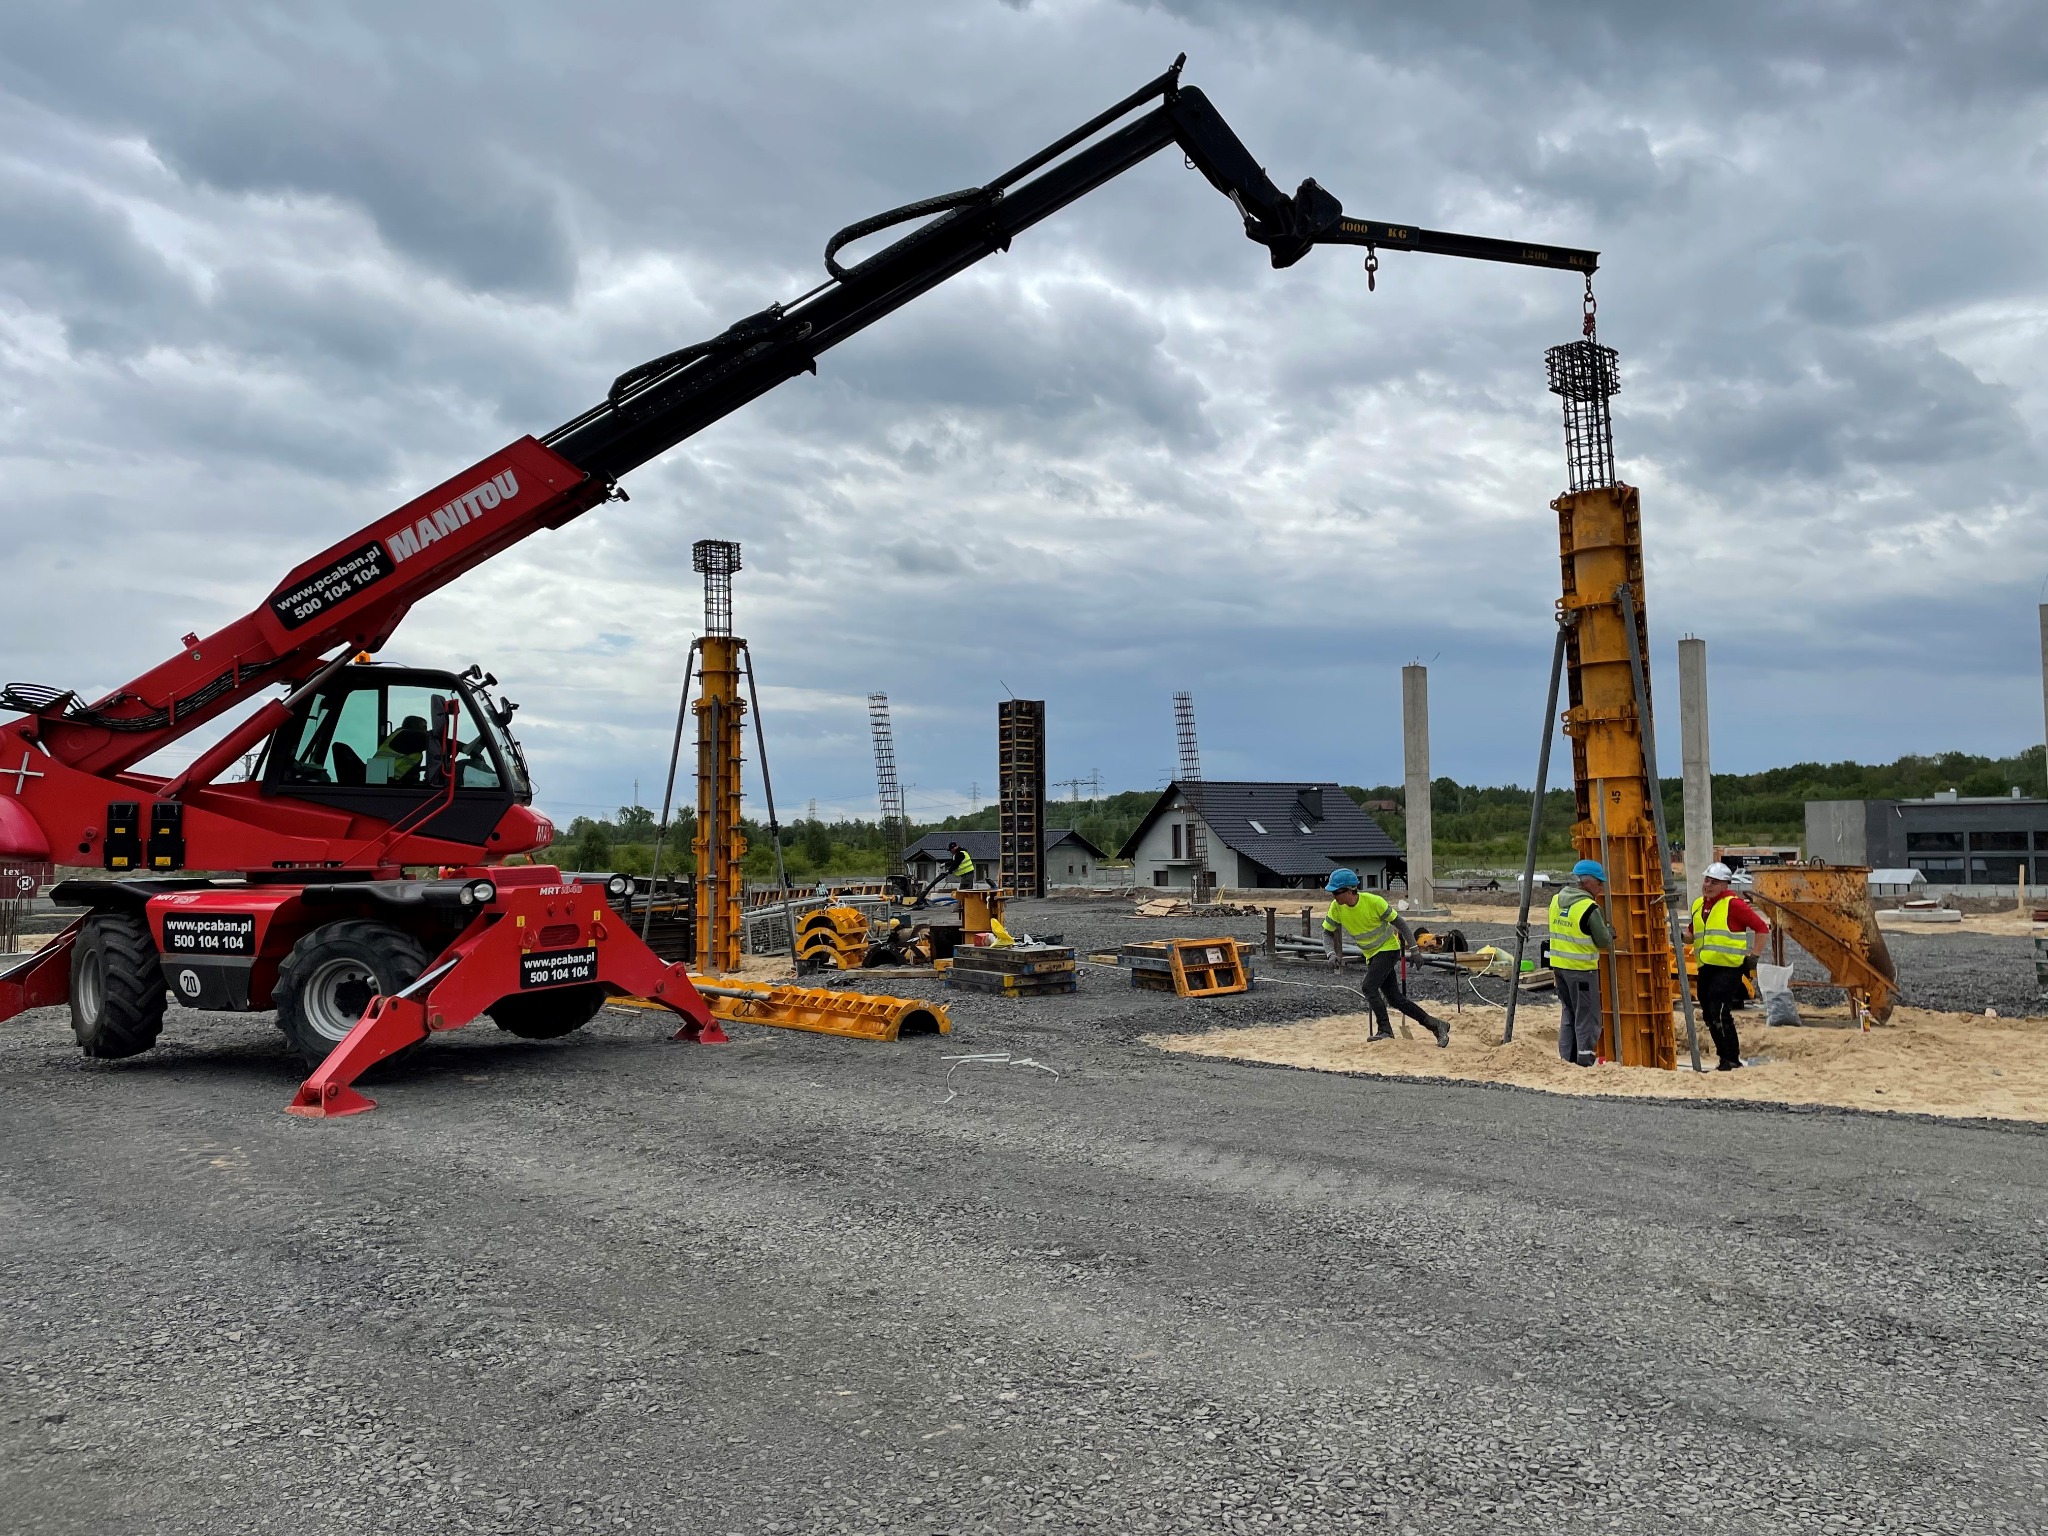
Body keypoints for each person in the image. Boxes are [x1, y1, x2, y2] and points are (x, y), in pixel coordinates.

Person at [1322, 869, 1449, 1048]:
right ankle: (1436, 1025)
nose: (1334, 896)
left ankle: (1385, 1030)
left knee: (1368, 987)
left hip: (1388, 950)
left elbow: (1401, 923)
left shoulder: (1374, 902)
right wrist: (1330, 953)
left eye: (1336, 892)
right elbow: (1327, 933)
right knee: (1395, 999)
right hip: (1371, 955)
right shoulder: (1336, 907)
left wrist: (1414, 950)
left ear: (1350, 890)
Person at [1682, 861, 1771, 1071]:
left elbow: (1761, 928)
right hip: (1706, 967)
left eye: (1714, 882)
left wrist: (1754, 956)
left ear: (1725, 885)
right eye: (1706, 880)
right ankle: (1724, 1057)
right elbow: (1692, 935)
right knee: (1708, 1014)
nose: (1708, 885)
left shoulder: (1734, 904)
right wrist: (1679, 937)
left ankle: (1731, 1059)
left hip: (1728, 968)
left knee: (1720, 1012)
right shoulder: (1699, 905)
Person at [1548, 859, 1615, 1067]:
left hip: (1559, 968)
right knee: (1587, 1017)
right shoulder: (1589, 907)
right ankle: (1584, 1059)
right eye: (1599, 883)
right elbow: (1602, 940)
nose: (1601, 887)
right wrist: (1609, 932)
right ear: (1587, 883)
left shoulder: (1556, 900)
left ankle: (1566, 1058)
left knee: (1569, 1013)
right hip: (1582, 972)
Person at [370, 715, 431, 784]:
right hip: (388, 782)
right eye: (424, 728)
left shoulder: (398, 735)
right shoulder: (406, 736)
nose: (426, 731)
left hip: (380, 779)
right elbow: (433, 741)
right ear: (414, 726)